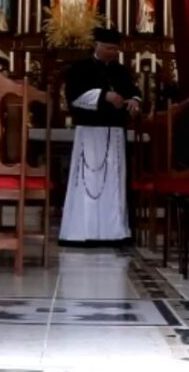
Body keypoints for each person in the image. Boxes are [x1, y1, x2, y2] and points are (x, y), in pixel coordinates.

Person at [60, 26, 142, 244]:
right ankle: (82, 231)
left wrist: (134, 100)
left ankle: (113, 232)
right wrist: (105, 96)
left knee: (113, 182)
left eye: (115, 49)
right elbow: (74, 96)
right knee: (88, 180)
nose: (112, 53)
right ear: (96, 46)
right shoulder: (79, 68)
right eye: (108, 48)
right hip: (89, 132)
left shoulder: (121, 70)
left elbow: (133, 90)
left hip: (114, 132)